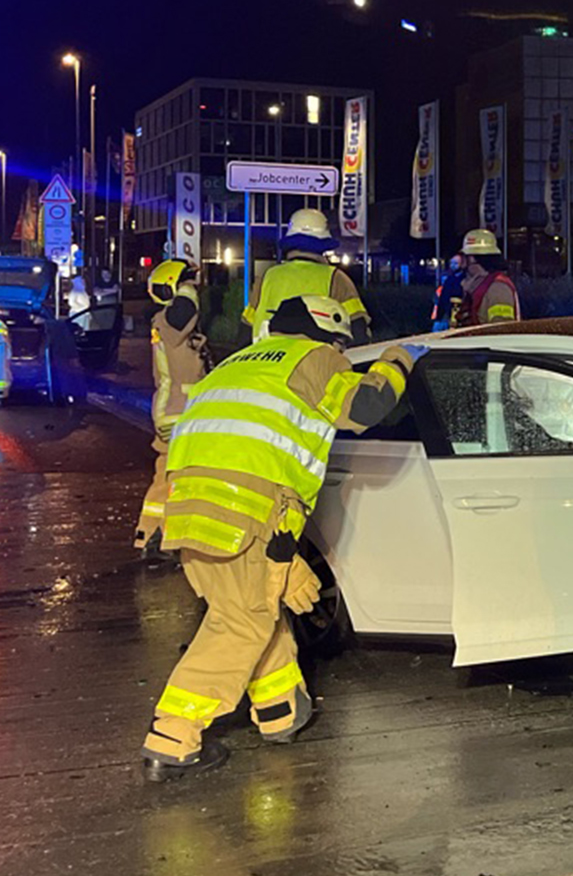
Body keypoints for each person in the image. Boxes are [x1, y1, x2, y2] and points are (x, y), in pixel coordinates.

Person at [140, 295, 417, 780]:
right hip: (246, 512)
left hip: (188, 510)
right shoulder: (315, 359)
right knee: (242, 625)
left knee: (251, 608)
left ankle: (279, 711)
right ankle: (174, 734)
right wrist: (398, 363)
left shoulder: (235, 364)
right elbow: (368, 405)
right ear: (331, 336)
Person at [134, 260, 212, 555]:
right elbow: (184, 312)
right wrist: (188, 287)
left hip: (174, 413)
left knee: (166, 477)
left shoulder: (165, 325)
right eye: (187, 285)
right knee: (185, 479)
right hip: (182, 413)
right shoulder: (170, 322)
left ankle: (151, 534)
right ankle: (174, 537)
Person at [243, 207, 370, 345]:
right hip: (313, 361)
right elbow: (358, 329)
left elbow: (246, 327)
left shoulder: (267, 277)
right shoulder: (336, 279)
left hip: (265, 360)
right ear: (324, 245)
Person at [454, 229, 520, 327]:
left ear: (472, 258)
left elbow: (501, 329)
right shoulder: (477, 285)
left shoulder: (498, 289)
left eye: (464, 256)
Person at [429, 254, 469, 331]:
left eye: (456, 263)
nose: (453, 265)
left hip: (456, 317)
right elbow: (443, 298)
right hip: (443, 316)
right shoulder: (449, 279)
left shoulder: (465, 280)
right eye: (452, 263)